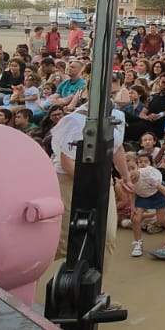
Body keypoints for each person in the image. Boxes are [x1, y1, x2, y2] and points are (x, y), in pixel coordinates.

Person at [49, 88, 128, 260]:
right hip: (69, 180)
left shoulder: (118, 115)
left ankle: (97, 275)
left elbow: (117, 147)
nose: (111, 92)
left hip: (101, 177)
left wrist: (126, 176)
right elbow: (67, 161)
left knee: (107, 235)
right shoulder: (74, 121)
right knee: (67, 239)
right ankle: (56, 272)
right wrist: (90, 185)